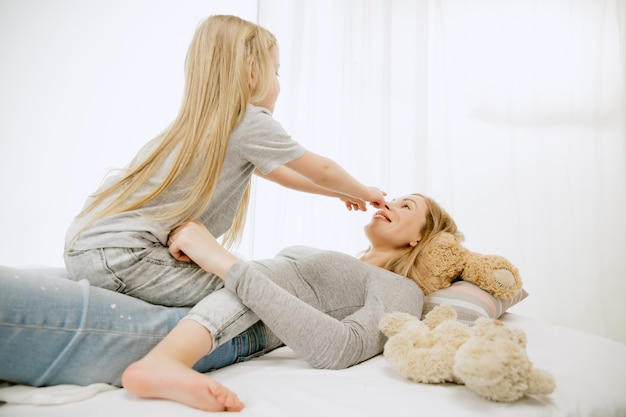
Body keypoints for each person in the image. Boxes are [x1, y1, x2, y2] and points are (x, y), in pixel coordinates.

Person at [64, 14, 385, 362]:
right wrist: (364, 190)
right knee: (256, 289)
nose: (279, 81)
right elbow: (321, 169)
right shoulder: (247, 121)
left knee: (243, 278)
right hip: (124, 256)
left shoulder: (206, 124)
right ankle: (168, 362)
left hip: (88, 245)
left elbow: (278, 173)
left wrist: (340, 193)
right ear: (251, 71)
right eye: (275, 71)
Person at [0, 193, 460, 411]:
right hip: (205, 295)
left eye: (407, 206)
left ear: (422, 236)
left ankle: (164, 363)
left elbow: (338, 349)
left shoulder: (402, 291)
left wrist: (222, 261)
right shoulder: (348, 261)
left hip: (218, 327)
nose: (390, 203)